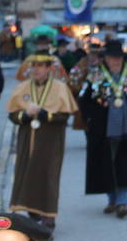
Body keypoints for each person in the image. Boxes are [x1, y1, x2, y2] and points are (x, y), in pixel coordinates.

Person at [7, 53, 79, 231]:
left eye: (41, 66)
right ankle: (32, 212)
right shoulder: (23, 87)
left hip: (50, 140)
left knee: (49, 175)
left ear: (49, 69)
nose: (36, 70)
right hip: (27, 140)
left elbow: (64, 115)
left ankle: (48, 217)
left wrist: (44, 114)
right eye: (34, 66)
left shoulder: (60, 88)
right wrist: (25, 115)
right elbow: (13, 114)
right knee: (27, 174)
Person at [79, 40, 127, 218]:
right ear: (105, 59)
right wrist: (91, 119)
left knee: (124, 163)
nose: (115, 61)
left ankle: (122, 202)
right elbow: (84, 100)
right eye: (111, 58)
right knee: (106, 163)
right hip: (103, 128)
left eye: (118, 58)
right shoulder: (95, 76)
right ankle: (112, 199)